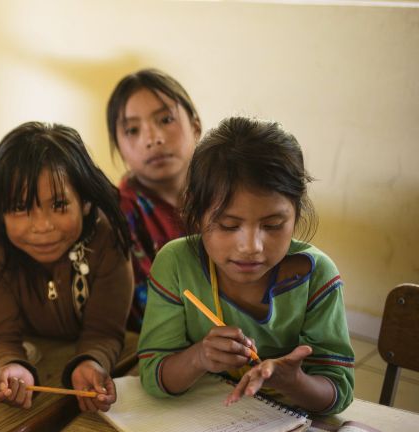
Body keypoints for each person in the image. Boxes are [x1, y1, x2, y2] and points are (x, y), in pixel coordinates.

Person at [137, 116, 354, 414]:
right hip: (201, 424)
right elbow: (153, 375)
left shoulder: (317, 276)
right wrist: (199, 357)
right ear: (196, 213)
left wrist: (294, 382)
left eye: (273, 225)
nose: (251, 247)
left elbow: (338, 392)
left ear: (296, 213)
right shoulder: (175, 264)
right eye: (228, 225)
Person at [0, 122, 134, 413]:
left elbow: (104, 331)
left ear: (85, 201)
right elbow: (0, 335)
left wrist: (92, 362)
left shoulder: (107, 242)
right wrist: (10, 366)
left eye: (59, 205)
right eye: (19, 208)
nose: (42, 226)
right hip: (41, 358)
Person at [106, 68, 201, 331]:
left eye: (166, 119)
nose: (152, 139)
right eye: (132, 130)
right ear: (119, 147)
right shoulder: (117, 214)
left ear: (195, 127)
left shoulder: (228, 193)